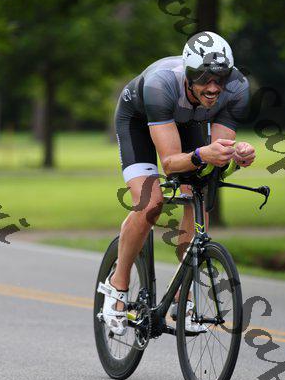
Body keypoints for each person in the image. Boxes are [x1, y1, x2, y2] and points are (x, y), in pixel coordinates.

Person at [99, 31, 255, 336]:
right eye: (204, 78)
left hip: (188, 123)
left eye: (220, 78)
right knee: (151, 204)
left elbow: (217, 156)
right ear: (188, 73)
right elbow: (170, 163)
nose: (213, 87)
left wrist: (236, 155)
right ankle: (118, 283)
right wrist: (202, 154)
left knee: (199, 193)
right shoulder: (160, 85)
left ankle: (184, 295)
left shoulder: (237, 88)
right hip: (138, 122)